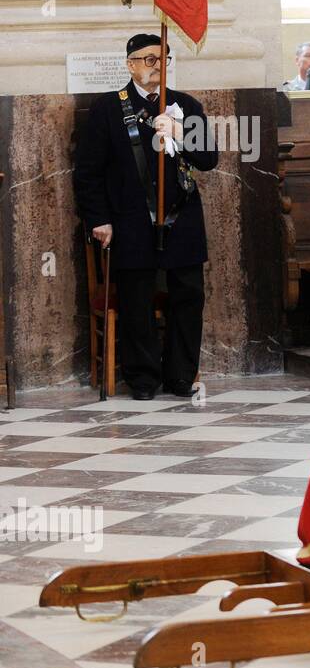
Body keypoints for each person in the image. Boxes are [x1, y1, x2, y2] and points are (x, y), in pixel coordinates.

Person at [73, 33, 217, 400]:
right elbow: (88, 173)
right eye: (148, 59)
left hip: (181, 217)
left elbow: (208, 160)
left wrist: (181, 132)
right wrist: (99, 220)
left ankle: (180, 376)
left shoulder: (185, 105)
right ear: (130, 64)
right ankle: (143, 378)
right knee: (137, 299)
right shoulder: (107, 109)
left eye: (162, 58)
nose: (156, 65)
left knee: (188, 296)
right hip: (130, 218)